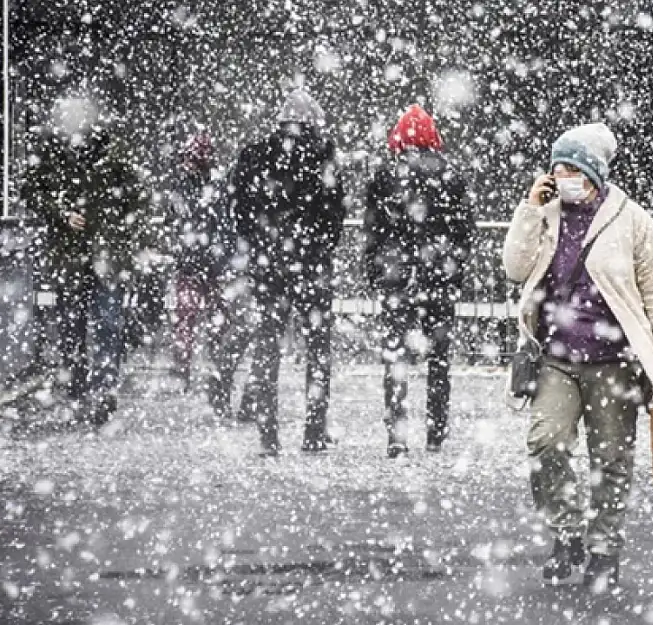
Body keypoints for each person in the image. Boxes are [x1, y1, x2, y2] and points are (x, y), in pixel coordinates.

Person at [502, 123, 653, 589]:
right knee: (546, 444)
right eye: (557, 168)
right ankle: (567, 533)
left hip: (613, 361)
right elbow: (514, 266)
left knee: (610, 460)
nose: (564, 176)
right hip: (556, 358)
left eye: (572, 168)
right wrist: (530, 209)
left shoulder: (632, 220)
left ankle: (604, 551)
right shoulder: (545, 214)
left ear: (594, 171)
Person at [223, 88, 345, 455]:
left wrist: (261, 244)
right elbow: (334, 212)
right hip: (311, 265)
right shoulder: (323, 157)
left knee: (267, 346)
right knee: (317, 349)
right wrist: (318, 246)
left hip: (268, 265)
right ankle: (313, 429)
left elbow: (238, 208)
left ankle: (268, 434)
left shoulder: (255, 155)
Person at [363, 104, 474, 458]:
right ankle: (436, 431)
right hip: (438, 277)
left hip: (397, 279)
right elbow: (463, 231)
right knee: (438, 358)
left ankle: (397, 434)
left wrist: (376, 270)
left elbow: (374, 230)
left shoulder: (385, 175)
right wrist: (454, 269)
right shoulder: (451, 175)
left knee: (395, 356)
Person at [24, 114, 148, 424]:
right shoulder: (53, 154)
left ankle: (101, 391)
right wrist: (61, 213)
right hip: (72, 257)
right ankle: (81, 390)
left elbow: (140, 198)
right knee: (73, 327)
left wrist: (119, 229)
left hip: (104, 257)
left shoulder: (113, 157)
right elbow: (29, 191)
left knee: (105, 324)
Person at [167, 131, 227, 389]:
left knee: (188, 320)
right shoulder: (212, 184)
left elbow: (178, 219)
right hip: (204, 262)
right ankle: (210, 367)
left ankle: (189, 369)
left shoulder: (187, 185)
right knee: (203, 320)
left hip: (197, 261)